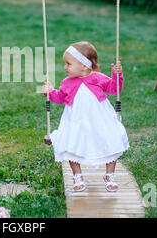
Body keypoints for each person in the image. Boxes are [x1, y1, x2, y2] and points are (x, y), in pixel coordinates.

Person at [43, 41, 129, 192]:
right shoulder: (67, 82)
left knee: (111, 141)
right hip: (76, 121)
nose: (65, 67)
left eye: (68, 63)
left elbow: (114, 90)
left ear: (84, 65)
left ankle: (109, 175)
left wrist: (117, 75)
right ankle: (77, 176)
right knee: (72, 144)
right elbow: (60, 98)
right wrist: (50, 92)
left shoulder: (98, 78)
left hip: (100, 119)